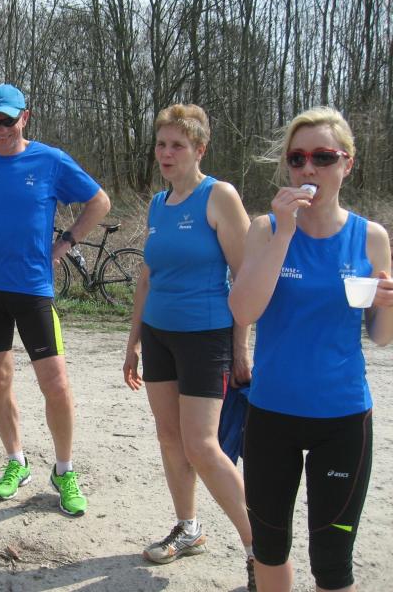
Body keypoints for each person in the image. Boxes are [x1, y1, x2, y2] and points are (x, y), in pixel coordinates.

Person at [229, 107, 393, 592]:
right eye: (296, 158)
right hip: (272, 414)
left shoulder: (371, 237)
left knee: (333, 562)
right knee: (269, 546)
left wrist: (389, 303)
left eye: (322, 157)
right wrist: (285, 231)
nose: (308, 168)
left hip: (342, 417)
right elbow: (244, 310)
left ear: (347, 164)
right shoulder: (266, 229)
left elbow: (381, 335)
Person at [0, 83, 111, 516]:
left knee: (56, 384)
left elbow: (99, 202)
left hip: (33, 288)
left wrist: (65, 243)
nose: (1, 128)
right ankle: (16, 461)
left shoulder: (50, 161)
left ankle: (64, 470)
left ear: (25, 118)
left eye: (8, 120)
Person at [122, 104, 255, 586]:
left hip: (206, 337)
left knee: (201, 445)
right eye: (161, 144)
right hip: (159, 335)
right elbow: (147, 276)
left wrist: (241, 349)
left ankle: (260, 548)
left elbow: (246, 278)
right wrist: (133, 341)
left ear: (200, 149)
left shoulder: (219, 196)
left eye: (177, 145)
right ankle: (189, 528)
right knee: (170, 437)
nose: (166, 152)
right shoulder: (159, 204)